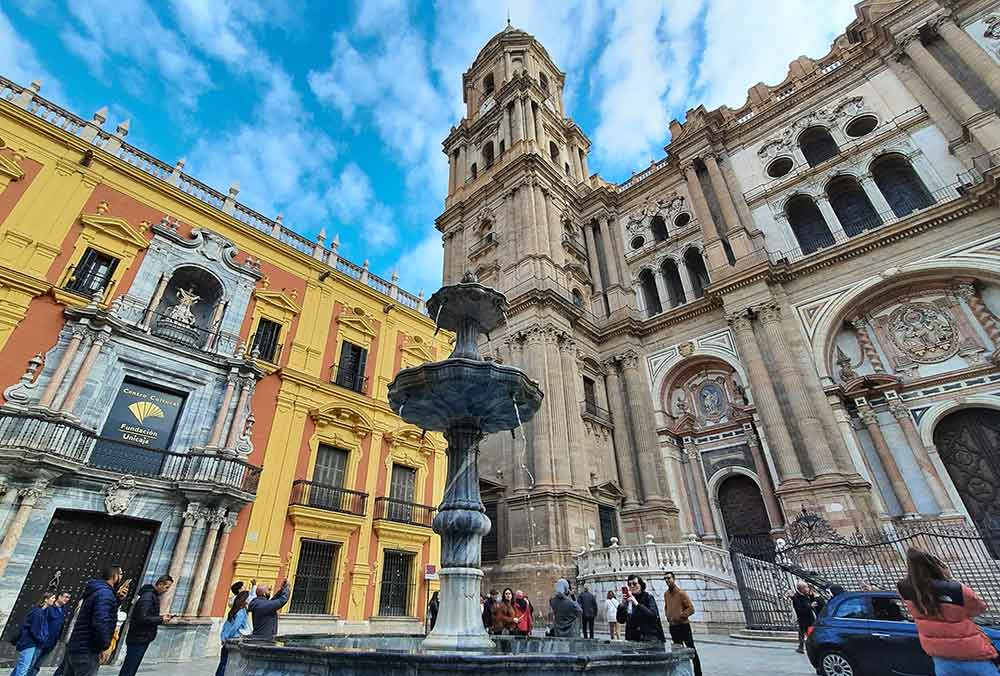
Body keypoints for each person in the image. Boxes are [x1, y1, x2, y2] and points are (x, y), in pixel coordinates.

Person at [897, 547, 999, 676]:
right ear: (934, 565)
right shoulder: (954, 588)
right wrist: (949, 579)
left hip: (941, 657)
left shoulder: (904, 589)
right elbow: (980, 608)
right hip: (971, 654)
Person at [64, 566, 130, 676]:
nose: (122, 577)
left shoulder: (97, 591)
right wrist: (104, 647)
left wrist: (117, 599)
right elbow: (101, 623)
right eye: (121, 574)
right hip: (88, 649)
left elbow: (102, 612)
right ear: (115, 575)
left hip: (77, 646)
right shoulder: (105, 594)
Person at [118, 575, 174, 676]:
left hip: (142, 637)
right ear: (160, 584)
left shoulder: (152, 596)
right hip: (138, 637)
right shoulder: (148, 597)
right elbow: (142, 618)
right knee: (129, 668)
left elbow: (147, 615)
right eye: (167, 587)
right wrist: (161, 619)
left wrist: (161, 617)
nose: (167, 590)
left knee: (132, 667)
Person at [664, 572, 701, 676]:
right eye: (665, 579)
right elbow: (666, 607)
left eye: (669, 578)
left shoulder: (681, 593)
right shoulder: (666, 594)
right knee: (677, 651)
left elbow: (691, 608)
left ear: (674, 579)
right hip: (673, 627)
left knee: (691, 650)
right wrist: (668, 616)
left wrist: (681, 616)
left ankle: (698, 673)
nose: (667, 580)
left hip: (683, 626)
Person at [26, 591, 71, 676]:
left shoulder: (63, 610)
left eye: (68, 598)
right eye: (65, 597)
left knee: (37, 665)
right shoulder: (49, 608)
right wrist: (40, 637)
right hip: (41, 641)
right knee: (30, 664)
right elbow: (41, 623)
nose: (67, 599)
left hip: (51, 643)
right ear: (59, 597)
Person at [11, 593, 54, 676]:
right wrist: (43, 639)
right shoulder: (38, 612)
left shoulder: (42, 612)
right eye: (52, 598)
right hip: (29, 643)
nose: (53, 600)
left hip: (31, 643)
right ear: (46, 599)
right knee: (23, 668)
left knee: (21, 667)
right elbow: (35, 630)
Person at [616, 575, 665, 642]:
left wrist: (637, 604)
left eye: (634, 584)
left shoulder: (648, 597)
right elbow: (621, 620)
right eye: (629, 584)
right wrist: (622, 606)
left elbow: (653, 616)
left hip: (648, 638)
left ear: (641, 585)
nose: (632, 586)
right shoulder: (628, 600)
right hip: (632, 638)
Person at [216, 589, 251, 676]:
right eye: (249, 598)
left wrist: (223, 637)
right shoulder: (242, 612)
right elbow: (235, 626)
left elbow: (226, 625)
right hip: (234, 641)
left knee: (223, 663)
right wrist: (228, 638)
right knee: (228, 665)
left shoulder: (234, 610)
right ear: (245, 600)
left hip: (227, 640)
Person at [791, 581, 816, 654]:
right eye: (806, 587)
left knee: (808, 634)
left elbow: (810, 601)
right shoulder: (796, 598)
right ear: (802, 589)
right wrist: (810, 606)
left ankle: (803, 647)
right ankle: (802, 647)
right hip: (803, 621)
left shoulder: (805, 595)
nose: (807, 589)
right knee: (805, 634)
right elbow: (800, 610)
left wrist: (811, 594)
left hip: (810, 619)